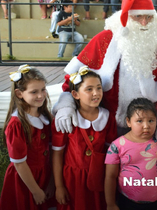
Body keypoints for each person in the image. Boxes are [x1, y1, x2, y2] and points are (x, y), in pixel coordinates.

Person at [52, 0, 157, 152]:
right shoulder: (104, 40)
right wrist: (66, 105)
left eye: (149, 17)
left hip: (144, 128)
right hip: (105, 125)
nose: (144, 22)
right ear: (126, 16)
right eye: (138, 16)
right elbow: (74, 78)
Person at [52, 66, 116, 210]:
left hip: (98, 178)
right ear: (75, 94)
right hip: (71, 180)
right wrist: (59, 186)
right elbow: (57, 153)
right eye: (89, 89)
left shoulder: (107, 117)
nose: (96, 93)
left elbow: (110, 153)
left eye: (99, 88)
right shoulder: (66, 118)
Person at [105, 97, 157, 210]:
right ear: (128, 122)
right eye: (139, 121)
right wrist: (110, 204)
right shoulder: (117, 146)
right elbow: (110, 176)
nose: (146, 126)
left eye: (151, 120)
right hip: (128, 203)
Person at [0, 65, 53, 210]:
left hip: (44, 176)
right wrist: (35, 191)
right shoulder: (17, 124)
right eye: (34, 92)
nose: (41, 95)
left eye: (43, 89)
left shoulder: (45, 116)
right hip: (25, 182)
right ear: (19, 93)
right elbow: (19, 163)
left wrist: (51, 182)